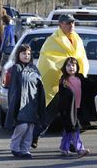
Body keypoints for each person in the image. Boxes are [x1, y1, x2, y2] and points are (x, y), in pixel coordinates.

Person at [34, 13, 89, 147]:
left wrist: (80, 75)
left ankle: (71, 143)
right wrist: (60, 71)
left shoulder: (78, 39)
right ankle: (33, 136)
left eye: (73, 23)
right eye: (68, 23)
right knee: (48, 115)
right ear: (60, 25)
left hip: (74, 85)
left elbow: (81, 58)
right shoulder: (52, 40)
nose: (71, 25)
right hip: (58, 85)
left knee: (72, 116)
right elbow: (47, 60)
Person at [4, 44, 46, 159]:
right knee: (22, 126)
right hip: (20, 104)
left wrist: (40, 105)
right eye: (23, 53)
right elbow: (13, 89)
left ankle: (25, 150)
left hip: (32, 103)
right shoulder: (16, 68)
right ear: (18, 55)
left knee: (30, 128)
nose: (26, 56)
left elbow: (40, 87)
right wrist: (13, 104)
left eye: (28, 53)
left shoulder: (34, 68)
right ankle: (15, 147)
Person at [58, 57, 95, 157]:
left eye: (73, 65)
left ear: (77, 67)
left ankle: (63, 148)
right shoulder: (63, 80)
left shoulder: (80, 78)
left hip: (78, 108)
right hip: (68, 110)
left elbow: (89, 87)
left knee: (69, 129)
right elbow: (63, 95)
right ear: (64, 68)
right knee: (74, 128)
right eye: (68, 65)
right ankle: (80, 149)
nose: (71, 67)